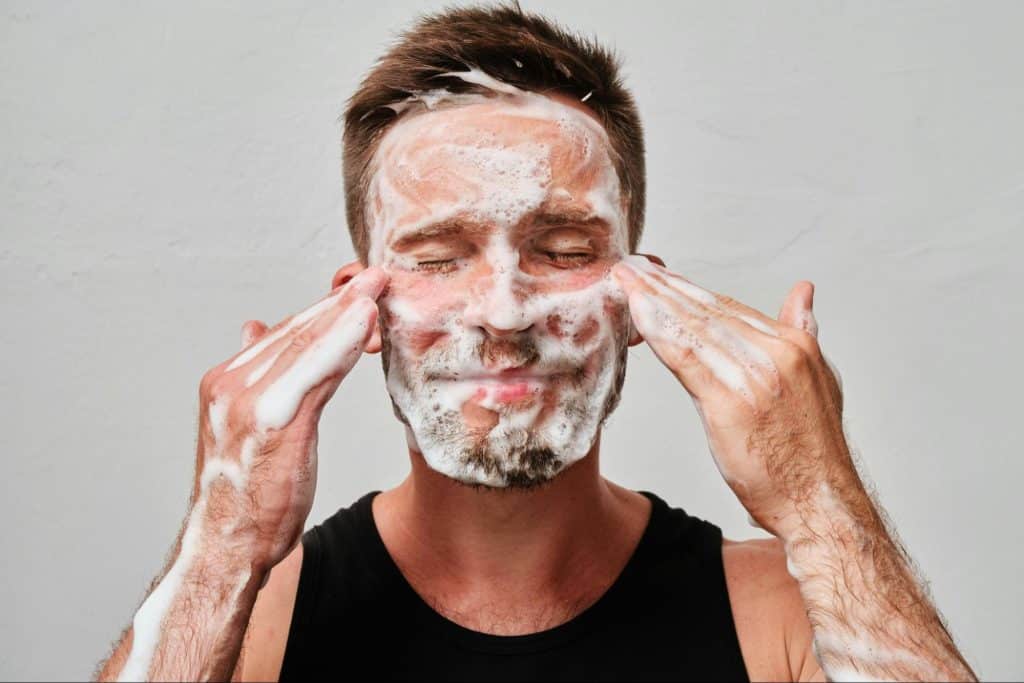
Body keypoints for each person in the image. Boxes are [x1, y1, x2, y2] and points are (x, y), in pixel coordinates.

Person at [96, 5, 977, 682]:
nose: (506, 313)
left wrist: (821, 499)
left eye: (564, 250)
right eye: (439, 256)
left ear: (641, 296)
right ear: (358, 311)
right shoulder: (254, 623)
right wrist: (220, 545)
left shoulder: (778, 615)